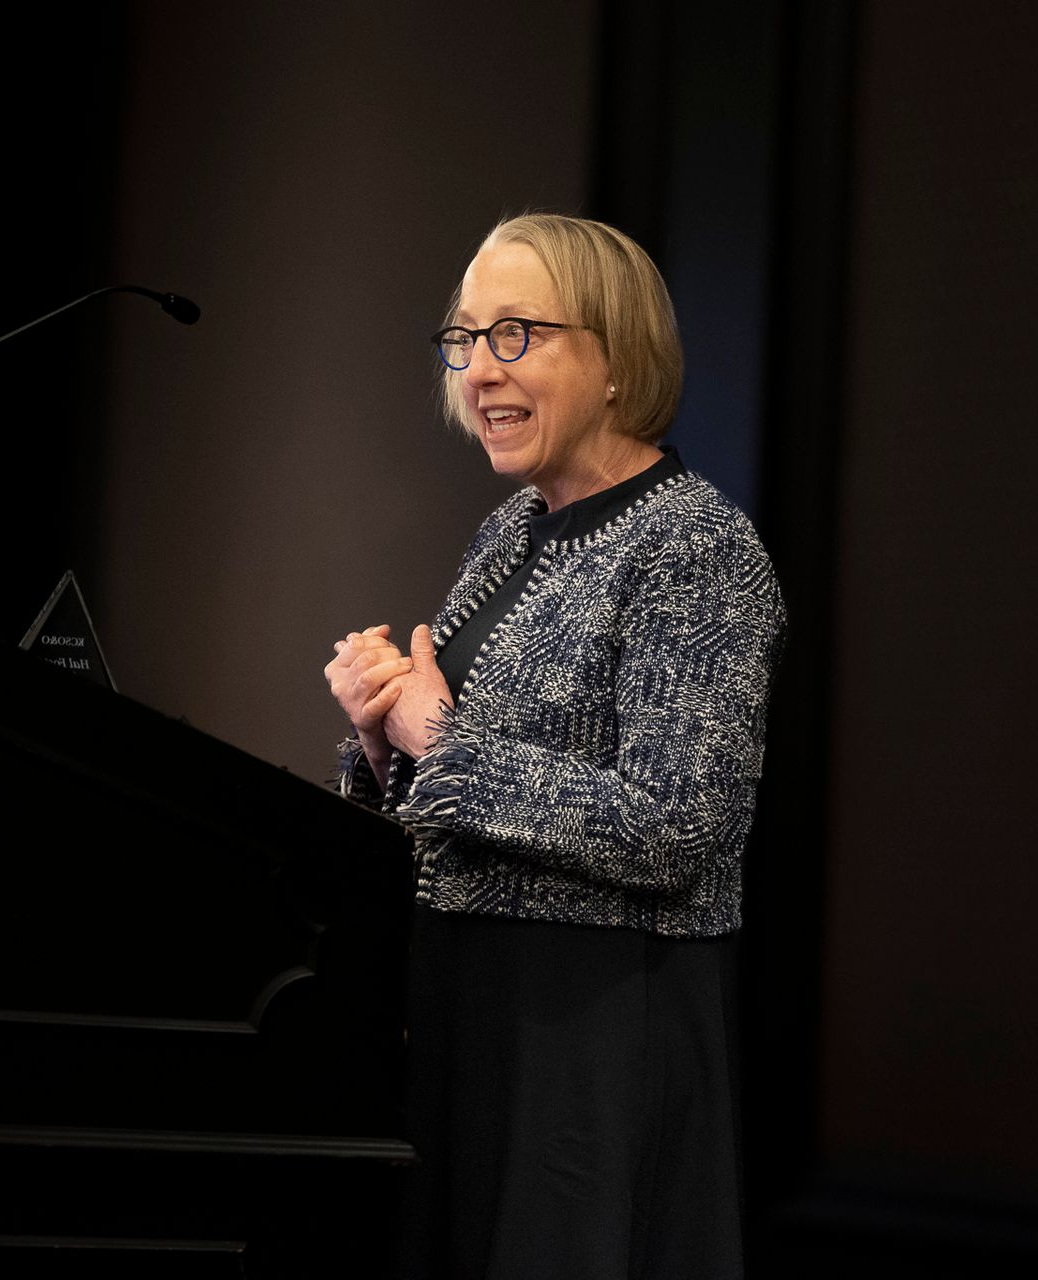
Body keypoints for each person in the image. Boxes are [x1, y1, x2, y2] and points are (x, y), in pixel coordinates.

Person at [323, 213, 785, 1278]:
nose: (479, 370)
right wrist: (381, 738)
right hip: (470, 1012)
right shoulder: (512, 528)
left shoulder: (696, 546)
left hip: (596, 1033)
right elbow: (454, 785)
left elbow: (680, 825)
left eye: (516, 334)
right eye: (464, 339)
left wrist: (438, 737)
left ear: (619, 359)